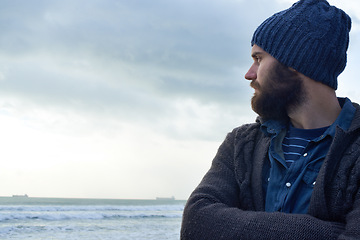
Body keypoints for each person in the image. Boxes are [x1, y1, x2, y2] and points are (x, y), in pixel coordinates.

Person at [180, 0, 360, 239]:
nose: (249, 74)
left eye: (259, 59)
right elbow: (197, 222)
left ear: (295, 62)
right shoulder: (241, 144)